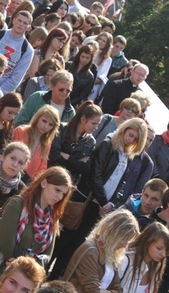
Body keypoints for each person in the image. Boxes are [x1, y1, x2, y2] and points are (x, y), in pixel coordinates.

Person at [51, 117, 148, 278]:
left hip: (104, 207)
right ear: (124, 130)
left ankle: (58, 276)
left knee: (78, 243)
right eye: (130, 135)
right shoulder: (108, 144)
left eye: (136, 139)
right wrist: (104, 201)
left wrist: (112, 204)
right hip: (89, 201)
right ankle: (49, 271)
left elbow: (123, 184)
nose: (131, 140)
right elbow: (95, 174)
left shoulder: (129, 155)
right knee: (66, 239)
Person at [0, 167, 73, 268]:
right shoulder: (17, 204)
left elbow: (47, 256)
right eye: (57, 190)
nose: (60, 197)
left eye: (63, 194)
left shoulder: (52, 218)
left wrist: (28, 268)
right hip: (1, 268)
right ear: (44, 183)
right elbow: (6, 246)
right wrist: (19, 266)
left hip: (28, 274)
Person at [63, 209, 139, 293]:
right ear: (112, 232)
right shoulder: (91, 252)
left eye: (128, 241)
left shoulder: (112, 253)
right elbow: (93, 290)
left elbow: (119, 289)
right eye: (124, 239)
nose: (125, 245)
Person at [49, 101, 102, 184]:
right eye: (94, 123)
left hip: (68, 182)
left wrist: (68, 157)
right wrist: (77, 162)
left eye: (98, 124)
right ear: (83, 119)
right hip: (50, 174)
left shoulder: (90, 142)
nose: (96, 127)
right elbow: (54, 156)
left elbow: (85, 169)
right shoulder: (62, 129)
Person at [118, 222, 169, 293]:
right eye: (159, 248)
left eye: (166, 250)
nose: (163, 254)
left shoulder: (156, 266)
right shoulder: (125, 260)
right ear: (147, 243)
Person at [13, 105, 60, 182]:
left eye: (50, 124)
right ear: (37, 118)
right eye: (44, 121)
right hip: (11, 175)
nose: (46, 126)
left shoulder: (47, 144)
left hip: (26, 184)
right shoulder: (20, 131)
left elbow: (41, 170)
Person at [0, 10, 34, 93]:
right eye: (19, 20)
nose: (21, 24)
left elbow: (17, 77)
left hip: (0, 91)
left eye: (25, 23)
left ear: (28, 27)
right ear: (14, 20)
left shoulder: (28, 50)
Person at [88, 32, 113, 101]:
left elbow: (103, 76)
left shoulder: (108, 59)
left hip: (94, 87)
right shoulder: (89, 51)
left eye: (104, 41)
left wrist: (93, 81)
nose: (101, 42)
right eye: (100, 39)